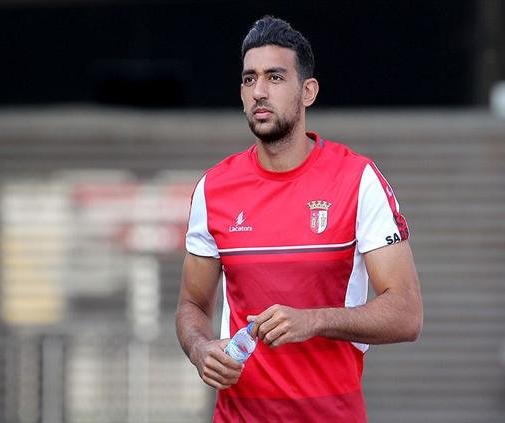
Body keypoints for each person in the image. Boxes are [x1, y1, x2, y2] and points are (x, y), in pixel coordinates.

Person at [175, 15, 423, 422]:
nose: (259, 91)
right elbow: (191, 304)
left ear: (308, 91)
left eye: (274, 77)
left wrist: (315, 320)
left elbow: (407, 314)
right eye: (249, 79)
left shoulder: (357, 180)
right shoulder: (213, 189)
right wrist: (201, 348)